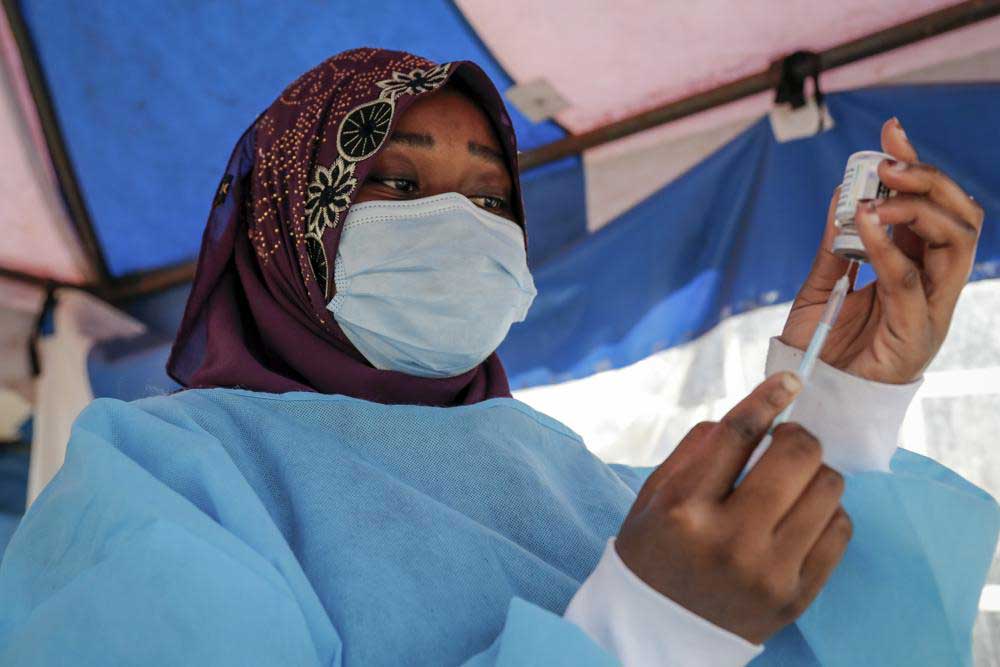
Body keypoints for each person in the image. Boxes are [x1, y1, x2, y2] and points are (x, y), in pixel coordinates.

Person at [0, 48, 995, 667]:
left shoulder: (559, 470)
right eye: (392, 182)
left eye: (488, 199)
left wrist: (843, 405)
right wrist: (641, 635)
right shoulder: (165, 474)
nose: (456, 226)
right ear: (282, 229)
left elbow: (851, 641)